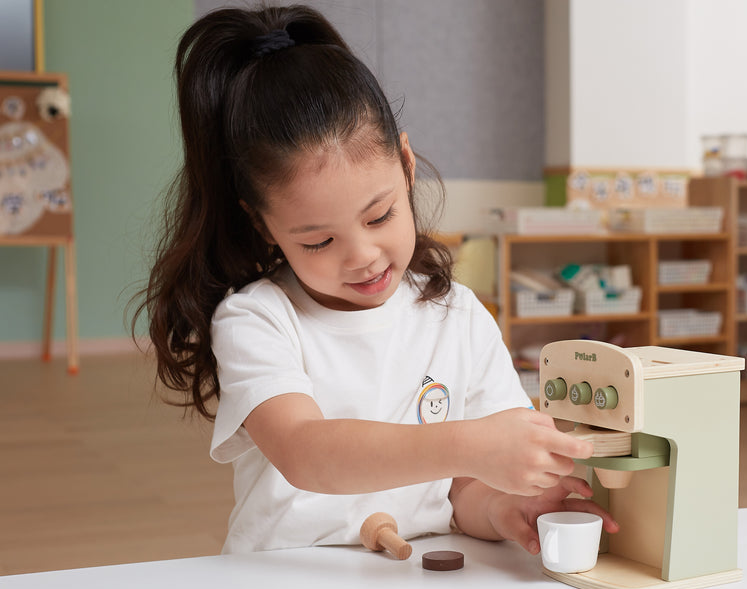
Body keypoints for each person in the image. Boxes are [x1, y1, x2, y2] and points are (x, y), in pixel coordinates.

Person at [134, 4, 617, 556]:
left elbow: (464, 492)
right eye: (318, 241)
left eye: (379, 215)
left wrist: (509, 506)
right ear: (262, 224)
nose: (362, 256)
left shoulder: (457, 316)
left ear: (406, 164)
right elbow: (306, 451)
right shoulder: (257, 319)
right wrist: (470, 443)